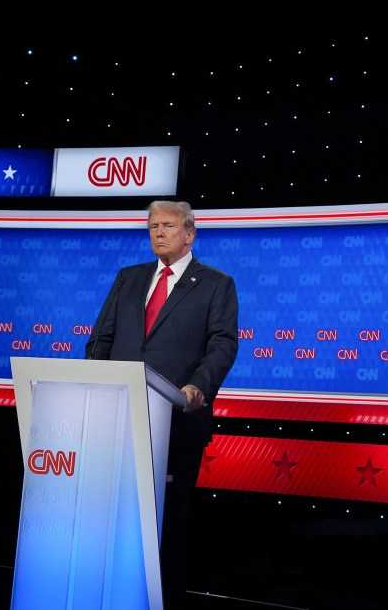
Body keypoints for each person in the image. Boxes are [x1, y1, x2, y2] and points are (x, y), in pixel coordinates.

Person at [86, 200, 239, 609]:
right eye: (153, 225)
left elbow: (222, 345)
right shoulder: (129, 278)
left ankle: (163, 600)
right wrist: (94, 380)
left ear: (189, 233)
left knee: (166, 527)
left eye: (168, 225)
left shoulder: (216, 284)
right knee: (113, 522)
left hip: (176, 424)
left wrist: (197, 387)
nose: (158, 232)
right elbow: (101, 338)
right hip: (117, 422)